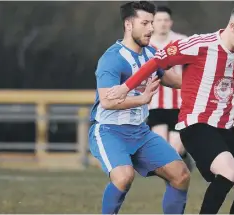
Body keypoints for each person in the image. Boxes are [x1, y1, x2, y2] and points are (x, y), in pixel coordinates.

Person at [105, 2, 234, 214]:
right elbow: (156, 62)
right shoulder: (199, 45)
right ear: (233, 26)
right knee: (228, 171)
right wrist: (125, 88)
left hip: (226, 128)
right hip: (197, 125)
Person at [88, 1, 190, 214]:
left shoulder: (151, 52)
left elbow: (172, 79)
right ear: (128, 24)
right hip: (109, 131)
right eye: (145, 23)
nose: (151, 28)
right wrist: (141, 100)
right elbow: (107, 101)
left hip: (140, 131)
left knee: (181, 175)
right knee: (124, 177)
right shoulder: (112, 59)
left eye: (151, 23)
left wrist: (205, 79)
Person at [147, 5, 194, 171]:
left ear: (171, 22)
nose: (162, 24)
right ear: (152, 23)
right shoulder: (146, 43)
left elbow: (194, 66)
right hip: (154, 103)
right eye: (159, 20)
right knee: (161, 146)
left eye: (166, 20)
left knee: (175, 148)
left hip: (179, 104)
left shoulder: (182, 41)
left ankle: (182, 156)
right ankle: (171, 175)